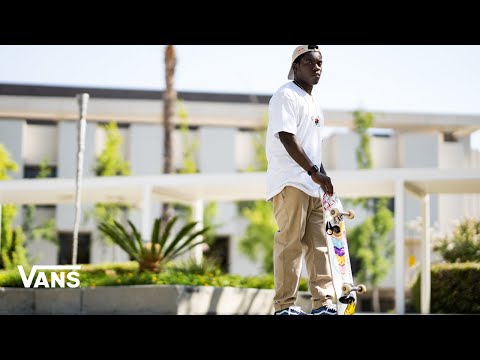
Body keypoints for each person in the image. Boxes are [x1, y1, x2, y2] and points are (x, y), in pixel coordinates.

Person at [265, 45, 336, 315]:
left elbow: (312, 147)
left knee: (319, 245)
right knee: (290, 243)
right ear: (295, 66)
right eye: (309, 63)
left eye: (320, 63)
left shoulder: (313, 101)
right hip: (290, 182)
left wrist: (323, 178)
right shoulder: (286, 95)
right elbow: (287, 137)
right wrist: (312, 172)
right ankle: (284, 307)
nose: (317, 67)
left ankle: (323, 303)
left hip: (311, 183)